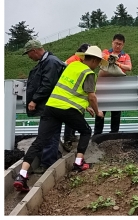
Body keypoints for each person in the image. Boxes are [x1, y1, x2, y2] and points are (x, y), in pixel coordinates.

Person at [13, 46, 106, 193]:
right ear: (94, 60)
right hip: (67, 109)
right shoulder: (89, 73)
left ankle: (22, 175)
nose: (98, 65)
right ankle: (79, 162)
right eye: (98, 62)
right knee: (86, 130)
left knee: (40, 141)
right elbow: (91, 96)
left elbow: (72, 90)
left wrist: (85, 107)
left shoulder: (72, 65)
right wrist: (97, 111)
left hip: (51, 107)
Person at [23, 39, 66, 174]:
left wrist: (35, 100)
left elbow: (47, 84)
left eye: (29, 54)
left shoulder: (50, 62)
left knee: (48, 133)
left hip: (51, 104)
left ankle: (48, 164)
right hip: (50, 104)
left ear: (34, 51)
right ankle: (51, 158)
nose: (29, 57)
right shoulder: (47, 61)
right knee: (50, 132)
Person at [93, 34, 132, 135]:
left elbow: (129, 67)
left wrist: (117, 63)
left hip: (117, 89)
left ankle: (114, 134)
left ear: (123, 45)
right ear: (112, 42)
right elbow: (100, 59)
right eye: (116, 43)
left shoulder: (125, 56)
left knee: (116, 112)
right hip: (103, 89)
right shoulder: (105, 52)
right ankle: (97, 134)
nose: (117, 46)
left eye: (120, 44)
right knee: (101, 111)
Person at [62, 43, 91, 151]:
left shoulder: (77, 59)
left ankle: (71, 136)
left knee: (76, 114)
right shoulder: (75, 61)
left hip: (73, 90)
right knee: (71, 116)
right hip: (69, 91)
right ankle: (68, 139)